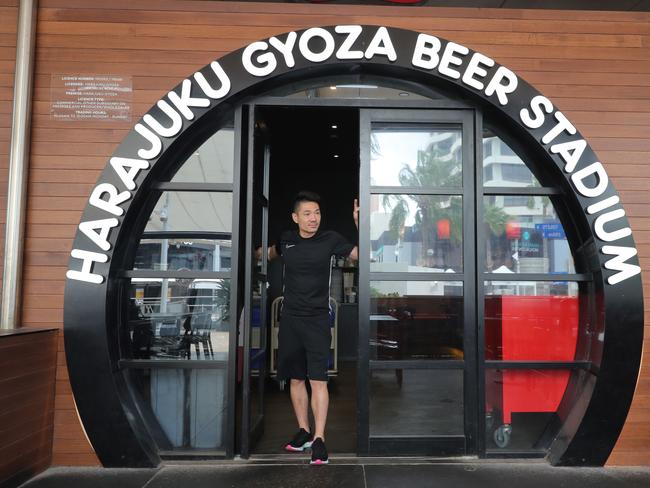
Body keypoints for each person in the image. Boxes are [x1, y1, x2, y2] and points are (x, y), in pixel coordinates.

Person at [268, 191, 358, 465]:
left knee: (318, 379)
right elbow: (267, 254)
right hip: (291, 319)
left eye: (316, 213)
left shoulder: (330, 239)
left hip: (318, 318)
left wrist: (358, 224)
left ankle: (319, 438)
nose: (313, 218)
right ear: (295, 217)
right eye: (307, 214)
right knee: (295, 378)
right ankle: (304, 431)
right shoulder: (287, 239)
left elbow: (359, 256)